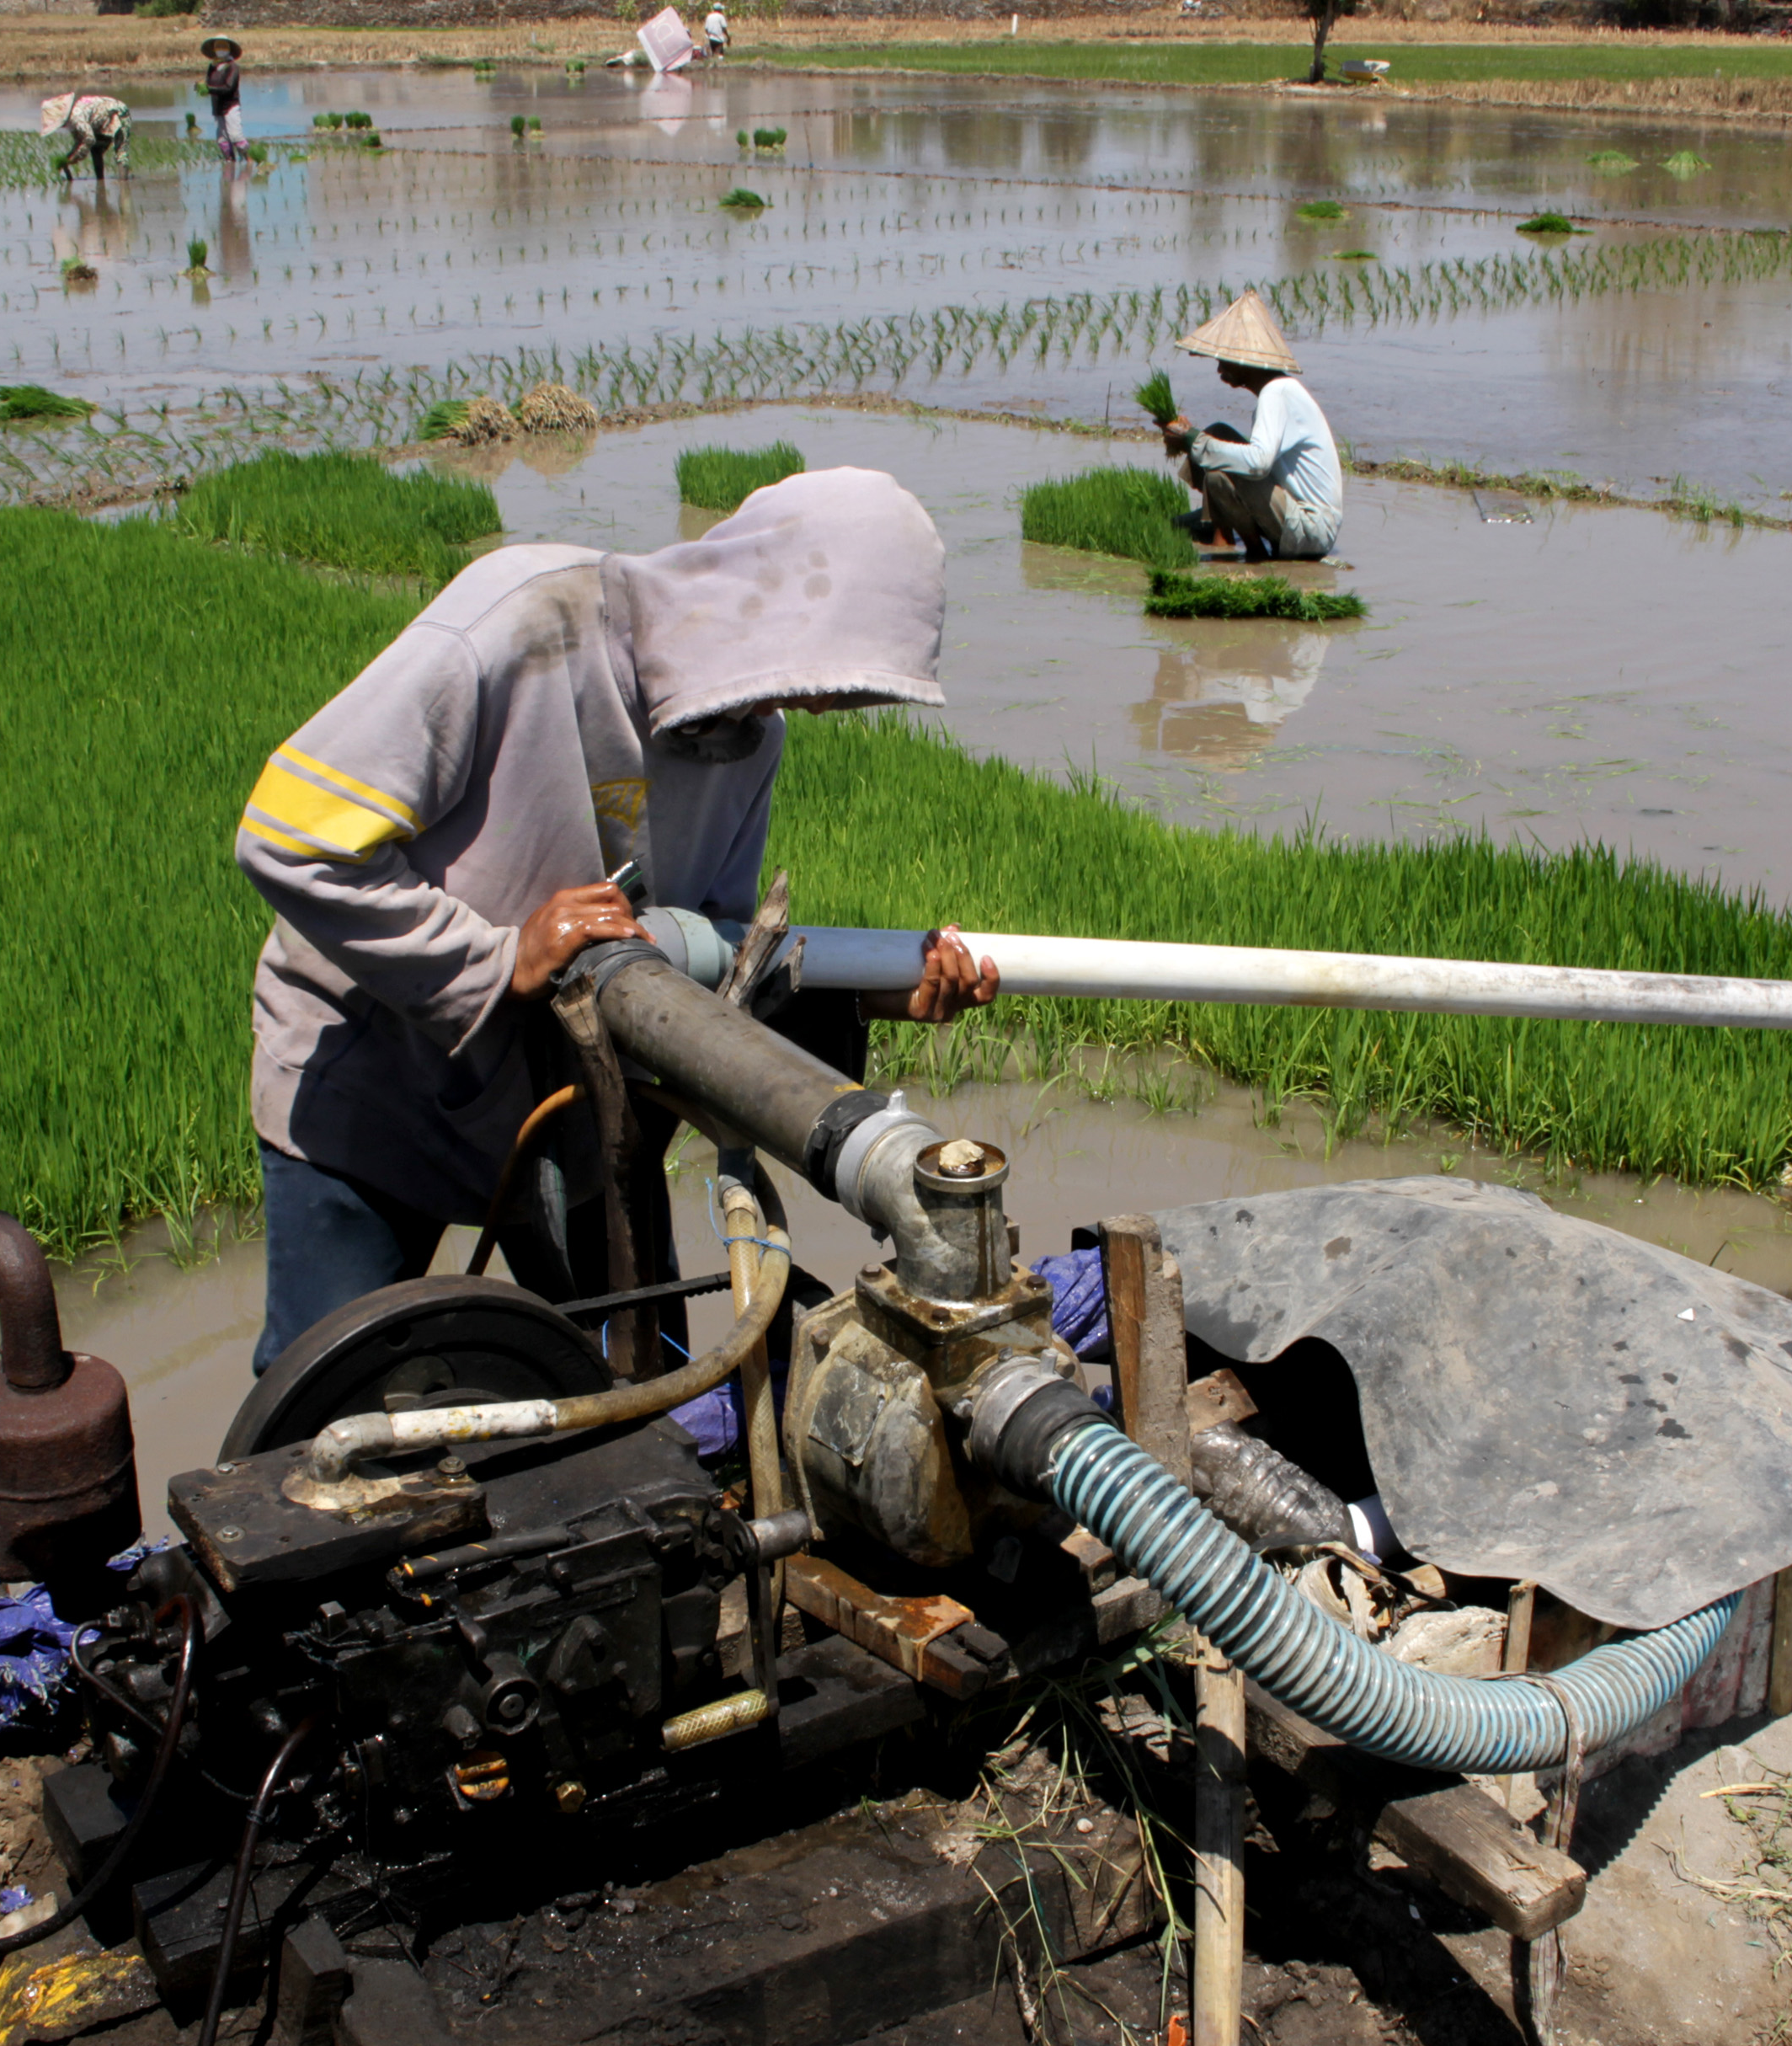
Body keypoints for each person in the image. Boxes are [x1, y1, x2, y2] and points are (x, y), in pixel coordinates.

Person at [234, 467, 1001, 1376]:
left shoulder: (748, 736)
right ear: (761, 596)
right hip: (378, 1084)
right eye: (820, 676)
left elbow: (706, 955)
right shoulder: (524, 620)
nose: (815, 706)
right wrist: (498, 958)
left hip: (577, 1099)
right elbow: (291, 837)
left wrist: (869, 992)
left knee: (641, 1384)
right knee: (327, 1393)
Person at [1156, 290, 1343, 563]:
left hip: (1311, 530)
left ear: (1246, 361)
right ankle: (1230, 537)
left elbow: (1258, 463)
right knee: (1218, 435)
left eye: (1224, 360)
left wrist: (1192, 439)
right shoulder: (1278, 391)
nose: (1219, 369)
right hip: (1300, 521)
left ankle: (1245, 547)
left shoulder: (1276, 393)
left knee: (1218, 471)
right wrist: (1195, 439)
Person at [36, 92, 133, 183]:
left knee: (121, 152)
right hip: (101, 119)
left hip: (118, 112)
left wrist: (75, 158)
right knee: (96, 150)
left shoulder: (76, 117)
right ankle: (100, 182)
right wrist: (68, 158)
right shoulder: (72, 121)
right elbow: (79, 141)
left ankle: (123, 183)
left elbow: (89, 139)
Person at [200, 35, 247, 159]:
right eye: (218, 47)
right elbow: (208, 82)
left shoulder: (232, 66)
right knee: (222, 140)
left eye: (223, 47)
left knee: (236, 136)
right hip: (217, 106)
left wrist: (210, 89)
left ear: (229, 50)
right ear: (214, 50)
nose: (221, 49)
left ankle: (250, 161)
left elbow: (229, 87)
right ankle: (230, 163)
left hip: (230, 106)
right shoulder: (213, 66)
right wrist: (202, 88)